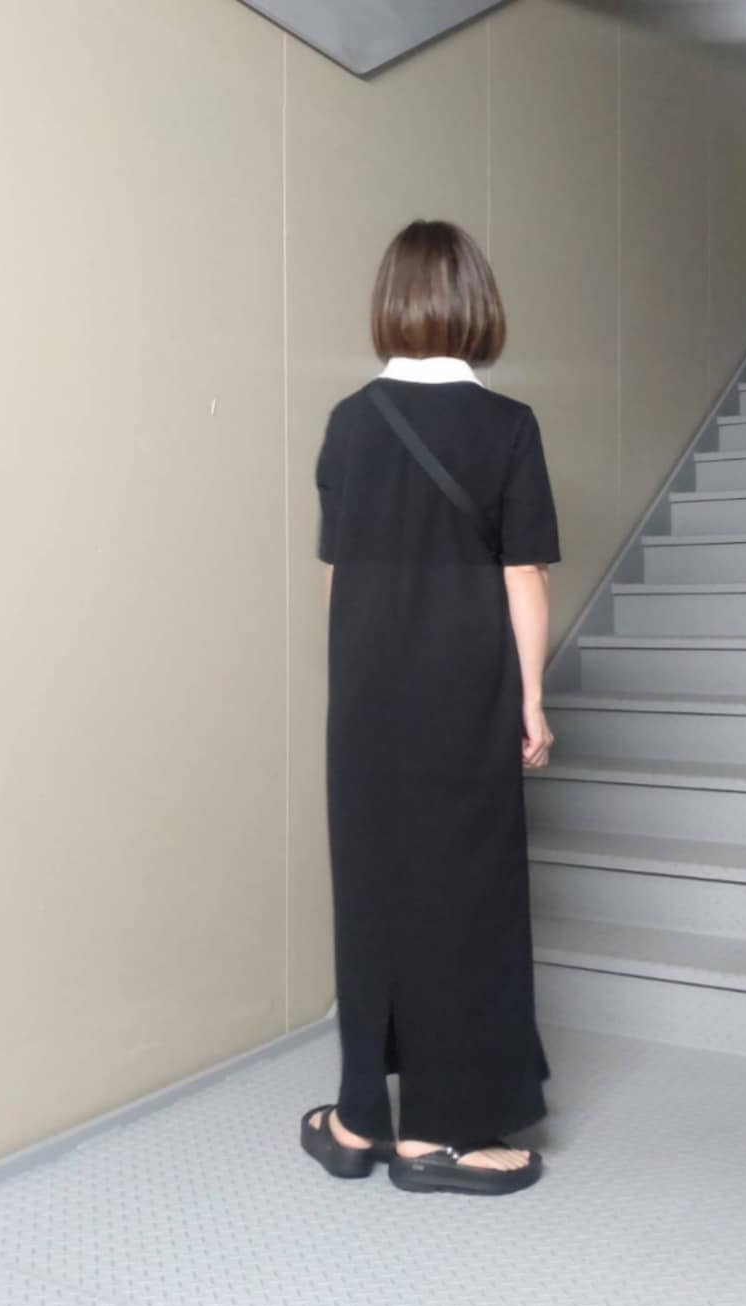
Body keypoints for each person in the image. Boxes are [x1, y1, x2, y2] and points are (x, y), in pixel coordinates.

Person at [300, 219, 561, 1197]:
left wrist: (354, 691)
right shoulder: (508, 427)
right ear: (476, 305)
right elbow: (523, 576)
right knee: (464, 901)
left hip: (365, 696)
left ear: (391, 304)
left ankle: (357, 1121)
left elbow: (337, 574)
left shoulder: (348, 420)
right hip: (463, 692)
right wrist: (530, 698)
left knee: (371, 894)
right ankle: (440, 1136)